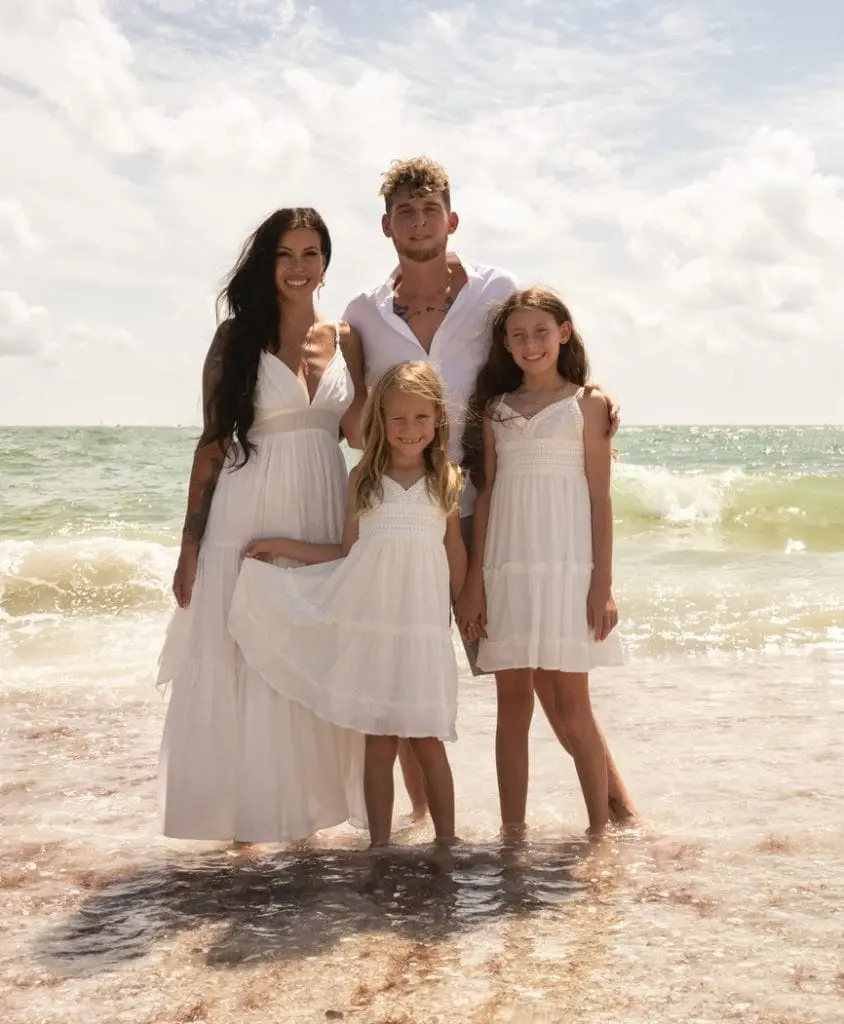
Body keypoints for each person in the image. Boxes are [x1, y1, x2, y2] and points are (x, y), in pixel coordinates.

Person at [342, 156, 636, 825]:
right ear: (387, 226)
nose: (418, 223)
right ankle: (420, 825)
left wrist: (598, 392)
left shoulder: (493, 288)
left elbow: (539, 348)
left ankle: (619, 816)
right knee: (402, 667)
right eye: (405, 213)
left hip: (491, 515)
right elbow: (353, 411)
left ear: (451, 219)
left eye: (429, 210)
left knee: (548, 679)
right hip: (408, 516)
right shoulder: (361, 310)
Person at [157, 207, 368, 842]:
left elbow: (358, 432)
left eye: (311, 253)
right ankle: (242, 825)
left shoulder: (346, 339)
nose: (299, 267)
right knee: (241, 650)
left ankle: (305, 818)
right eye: (286, 254)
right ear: (267, 263)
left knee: (312, 647)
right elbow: (212, 443)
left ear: (326, 263)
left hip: (321, 502)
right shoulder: (236, 340)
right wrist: (188, 550)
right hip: (246, 508)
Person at [228, 361, 466, 849]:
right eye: (397, 419)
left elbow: (455, 554)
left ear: (438, 418)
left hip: (423, 632)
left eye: (421, 418)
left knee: (427, 740)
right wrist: (284, 547)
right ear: (379, 420)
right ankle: (379, 845)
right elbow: (344, 552)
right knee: (377, 743)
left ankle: (447, 844)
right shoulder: (364, 478)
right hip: (375, 629)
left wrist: (462, 613)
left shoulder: (446, 479)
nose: (409, 430)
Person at [457, 286, 628, 836]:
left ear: (564, 333)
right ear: (504, 344)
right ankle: (512, 836)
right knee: (512, 706)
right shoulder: (496, 411)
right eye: (517, 334)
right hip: (507, 569)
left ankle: (598, 831)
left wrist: (601, 585)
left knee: (573, 707)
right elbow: (486, 497)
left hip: (565, 570)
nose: (529, 344)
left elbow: (600, 501)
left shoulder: (588, 405)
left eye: (540, 332)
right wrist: (477, 584)